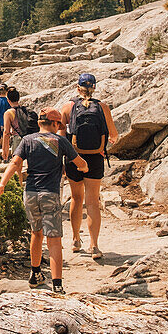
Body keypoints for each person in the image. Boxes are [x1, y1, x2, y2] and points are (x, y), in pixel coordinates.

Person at [0, 108, 88, 295]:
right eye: (59, 124)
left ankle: (35, 274)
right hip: (50, 194)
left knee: (36, 233)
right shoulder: (60, 141)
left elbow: (15, 163)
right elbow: (79, 163)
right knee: (54, 239)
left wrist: (2, 184)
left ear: (39, 123)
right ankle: (57, 285)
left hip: (31, 193)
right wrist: (85, 167)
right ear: (55, 124)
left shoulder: (27, 141)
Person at [60, 73, 119, 260]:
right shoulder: (102, 107)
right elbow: (114, 135)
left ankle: (76, 240)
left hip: (74, 158)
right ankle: (94, 246)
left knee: (76, 198)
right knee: (93, 201)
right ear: (94, 88)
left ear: (78, 88)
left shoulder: (68, 107)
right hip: (95, 158)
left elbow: (61, 138)